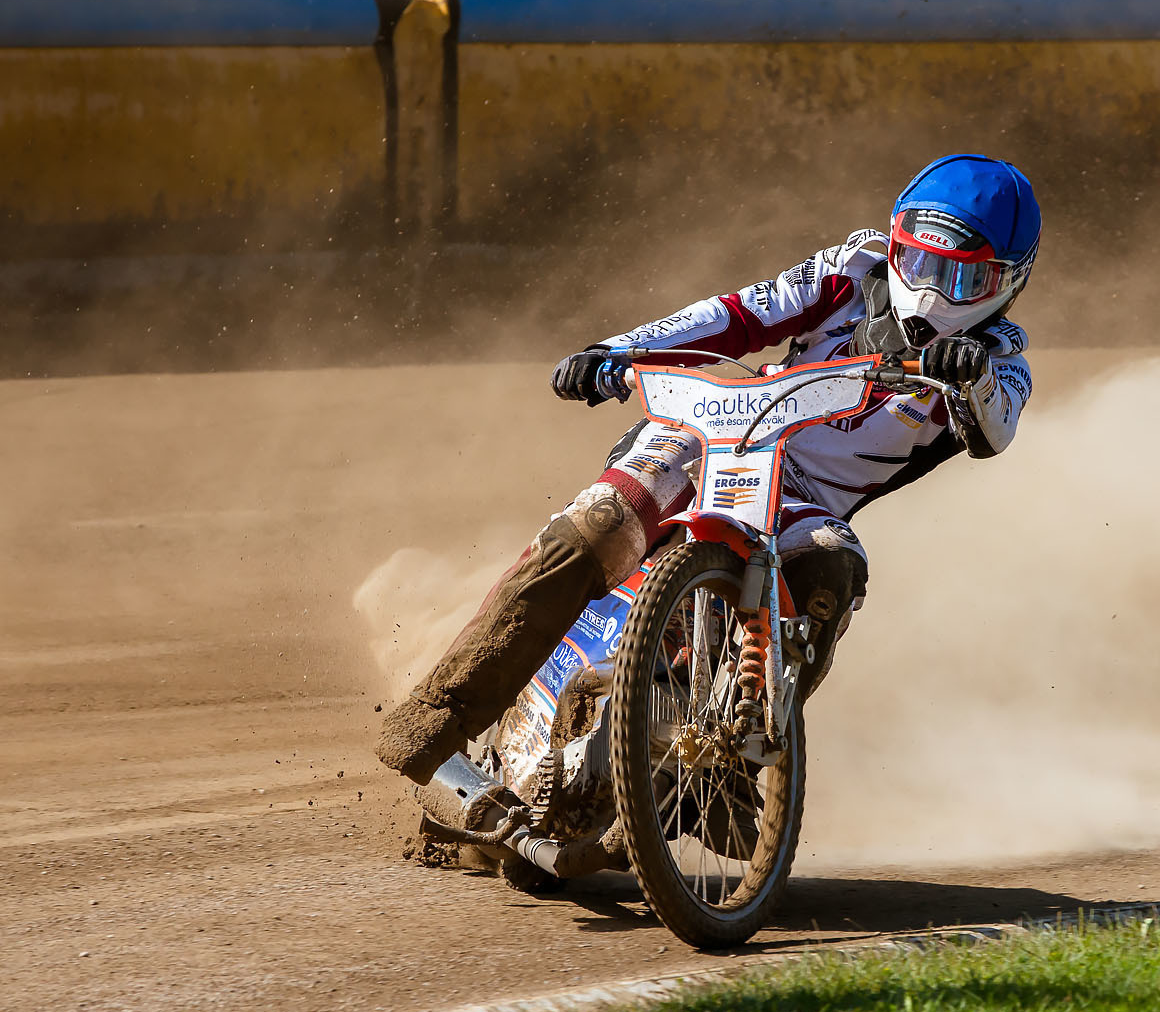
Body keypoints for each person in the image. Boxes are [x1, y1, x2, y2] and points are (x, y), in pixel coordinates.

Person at [375, 156, 1041, 797]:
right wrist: (619, 351)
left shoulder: (1000, 364)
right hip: (717, 433)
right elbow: (738, 315)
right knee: (601, 521)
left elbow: (992, 429)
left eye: (963, 280)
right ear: (895, 245)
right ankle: (439, 713)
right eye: (918, 262)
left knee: (836, 567)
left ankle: (732, 764)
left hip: (803, 503)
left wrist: (969, 372)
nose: (928, 290)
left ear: (1010, 283)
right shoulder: (851, 269)